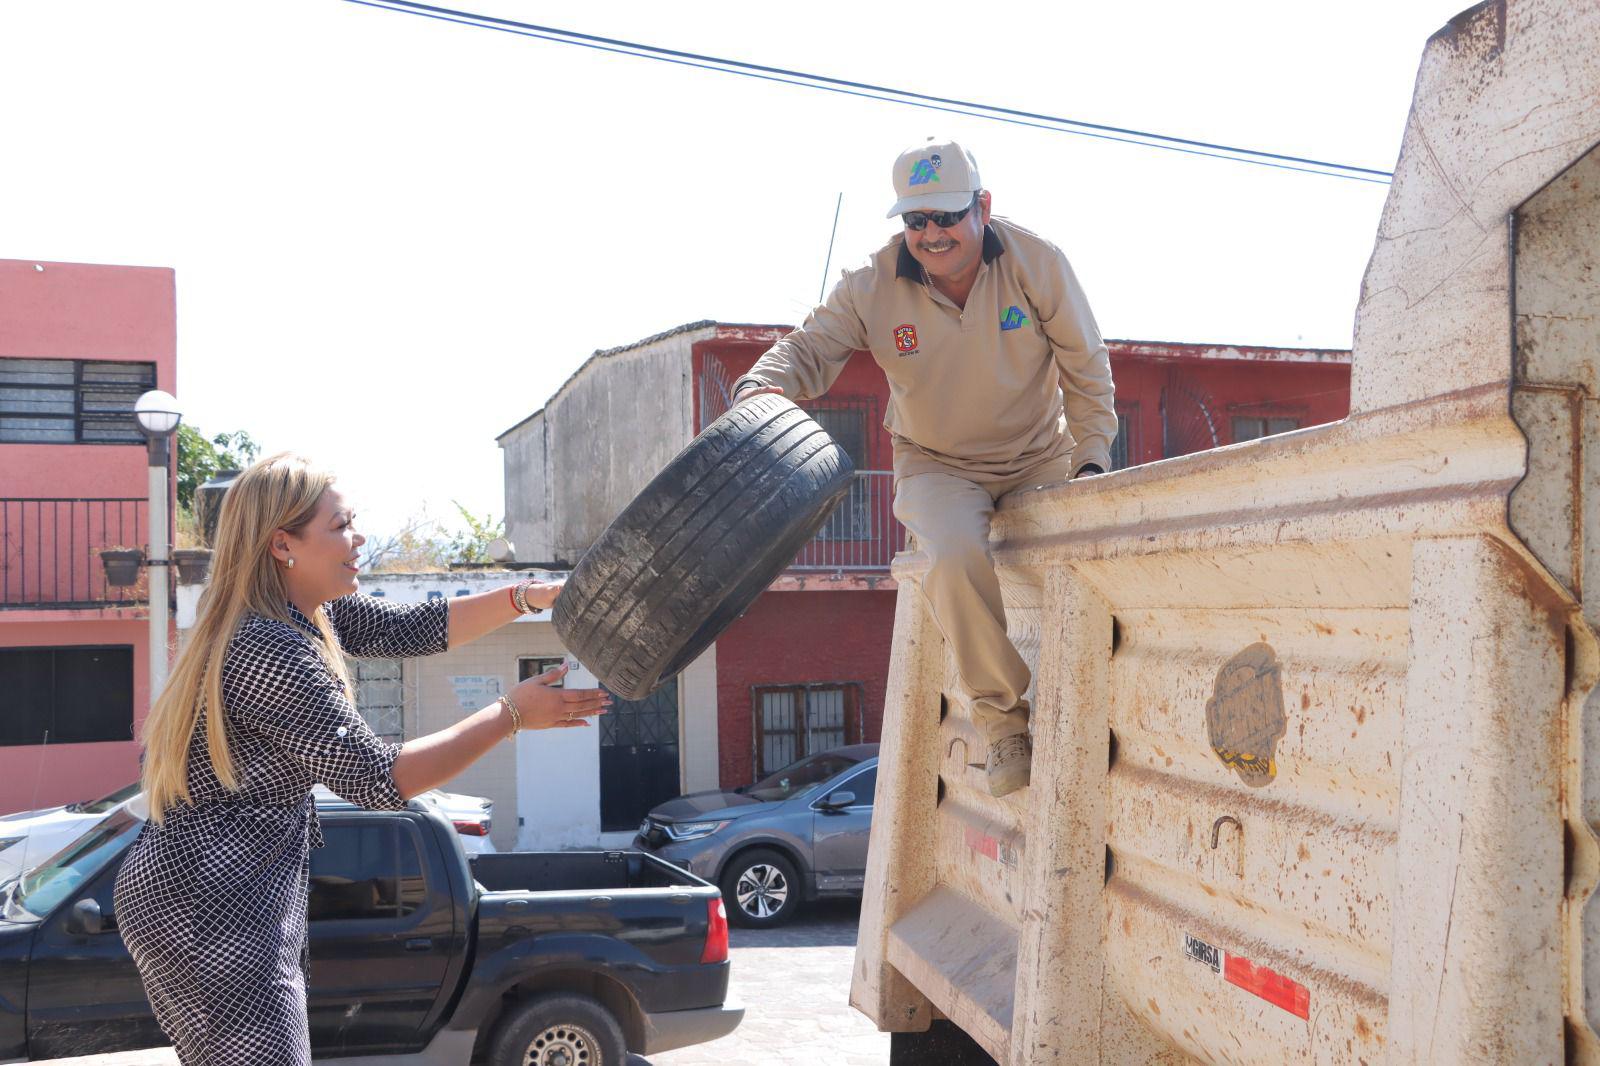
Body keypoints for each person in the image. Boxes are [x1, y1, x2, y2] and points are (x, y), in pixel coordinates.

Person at [113, 452, 610, 1066]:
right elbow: (377, 779)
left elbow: (411, 629)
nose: (360, 537)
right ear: (282, 544)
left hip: (216, 891)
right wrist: (511, 715)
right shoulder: (270, 647)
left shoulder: (302, 613)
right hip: (211, 901)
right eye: (341, 525)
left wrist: (526, 597)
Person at [734, 137, 1115, 797]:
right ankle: (1002, 721)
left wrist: (1091, 461)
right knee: (949, 551)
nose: (932, 234)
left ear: (982, 207)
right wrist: (755, 389)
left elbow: (1087, 369)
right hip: (936, 463)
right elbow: (809, 348)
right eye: (915, 221)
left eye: (946, 216)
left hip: (1039, 455)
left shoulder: (1038, 264)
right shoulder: (871, 286)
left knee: (1093, 560)